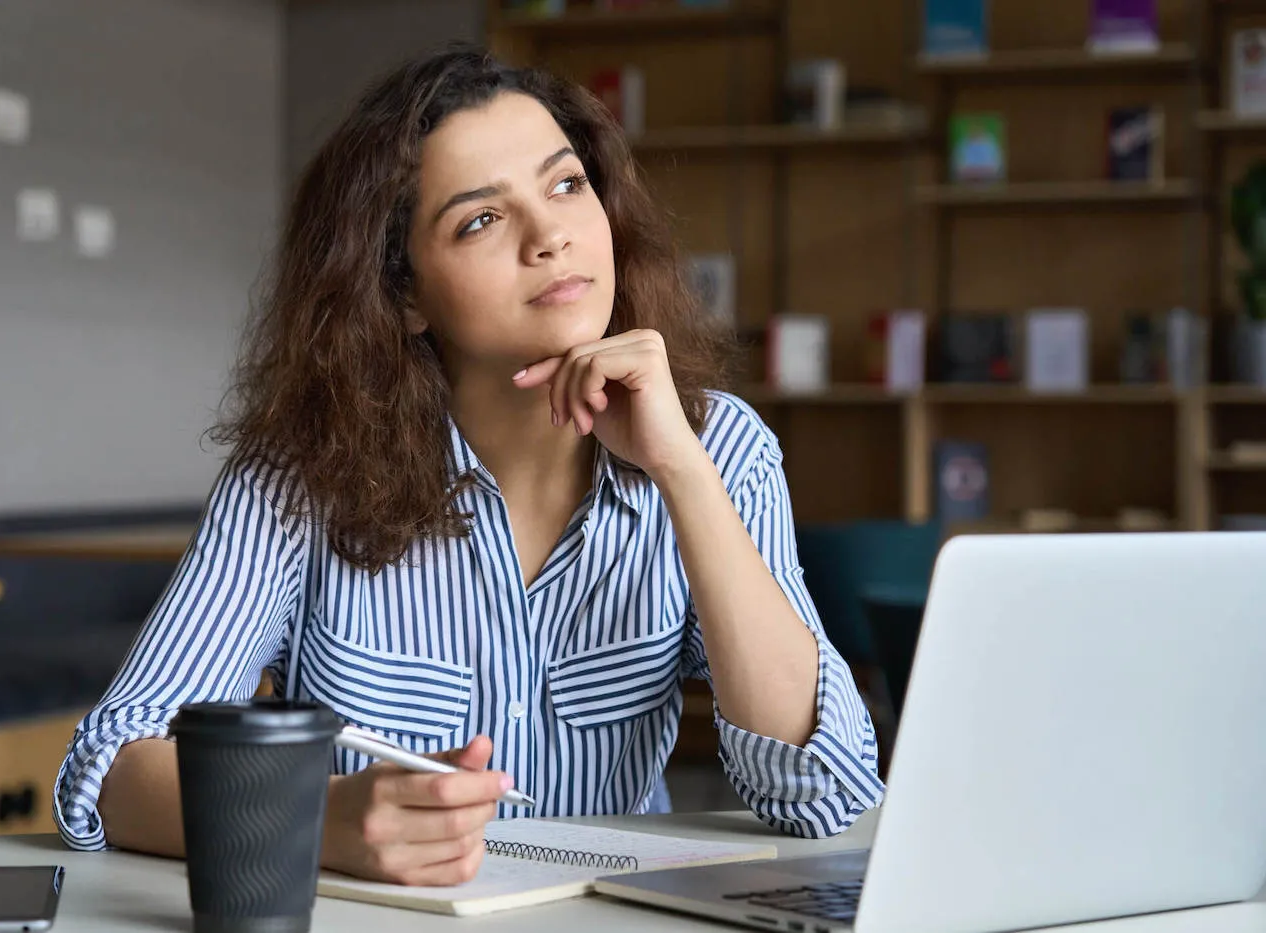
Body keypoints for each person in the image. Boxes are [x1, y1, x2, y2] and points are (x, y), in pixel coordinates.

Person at [53, 44, 884, 887]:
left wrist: (682, 470)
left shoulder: (720, 449)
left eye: (566, 185)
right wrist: (318, 820)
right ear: (405, 294)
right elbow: (112, 772)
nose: (550, 235)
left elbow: (823, 793)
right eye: (481, 219)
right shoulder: (298, 477)